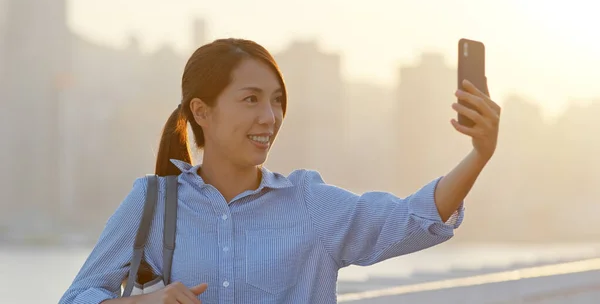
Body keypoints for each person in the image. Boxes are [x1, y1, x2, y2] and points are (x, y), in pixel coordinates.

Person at [59, 38, 501, 304]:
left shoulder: (310, 203)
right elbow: (77, 297)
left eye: (276, 100)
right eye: (251, 99)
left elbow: (411, 218)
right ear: (202, 112)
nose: (270, 116)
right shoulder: (152, 201)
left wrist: (479, 155)